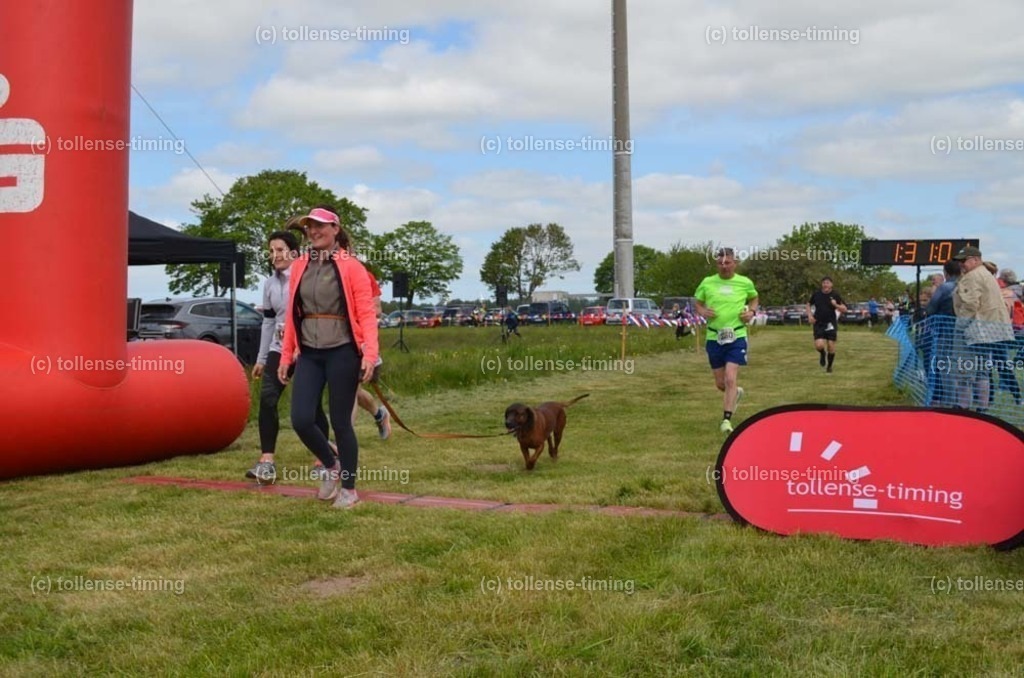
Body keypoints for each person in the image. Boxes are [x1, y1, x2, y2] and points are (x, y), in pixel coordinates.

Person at [278, 206, 380, 509]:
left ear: (335, 229)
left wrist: (369, 355)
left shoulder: (352, 267)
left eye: (320, 226)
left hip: (343, 352)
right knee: (300, 418)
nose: (314, 231)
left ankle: (349, 489)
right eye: (310, 227)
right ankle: (330, 463)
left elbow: (366, 314)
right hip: (309, 352)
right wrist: (286, 356)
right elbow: (292, 313)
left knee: (341, 423)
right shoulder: (299, 266)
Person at [245, 229, 334, 483]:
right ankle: (266, 462)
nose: (275, 256)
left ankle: (322, 460)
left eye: (281, 250)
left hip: (306, 348)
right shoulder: (270, 284)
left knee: (312, 405)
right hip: (278, 348)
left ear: (295, 253)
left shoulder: (308, 276)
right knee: (268, 399)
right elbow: (268, 322)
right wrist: (262, 358)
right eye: (271, 251)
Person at [694, 248, 759, 434]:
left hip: (737, 335)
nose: (724, 266)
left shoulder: (744, 282)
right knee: (721, 384)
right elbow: (697, 302)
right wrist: (702, 311)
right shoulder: (707, 282)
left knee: (731, 378)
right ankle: (735, 393)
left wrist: (751, 312)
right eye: (720, 263)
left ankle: (726, 420)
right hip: (714, 336)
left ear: (735, 263)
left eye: (727, 262)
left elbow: (754, 298)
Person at [951, 246, 1016, 411]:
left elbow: (971, 304)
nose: (961, 265)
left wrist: (960, 326)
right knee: (982, 371)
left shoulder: (971, 277)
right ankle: (983, 408)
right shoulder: (986, 274)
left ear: (975, 260)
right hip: (990, 330)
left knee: (964, 370)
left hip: (974, 330)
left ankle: (963, 406)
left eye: (963, 261)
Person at [923, 259, 961, 406]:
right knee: (964, 368)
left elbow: (931, 309)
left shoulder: (945, 288)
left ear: (946, 272)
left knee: (945, 367)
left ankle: (949, 401)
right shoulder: (965, 285)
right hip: (965, 332)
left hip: (945, 332)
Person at [806, 277, 848, 374]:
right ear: (822, 284)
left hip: (830, 323)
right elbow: (808, 304)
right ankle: (822, 353)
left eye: (827, 283)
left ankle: (829, 366)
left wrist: (836, 305)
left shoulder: (835, 295)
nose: (825, 285)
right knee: (819, 345)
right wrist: (809, 315)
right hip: (818, 322)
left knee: (831, 345)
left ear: (831, 285)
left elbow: (845, 309)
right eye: (824, 283)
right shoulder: (816, 294)